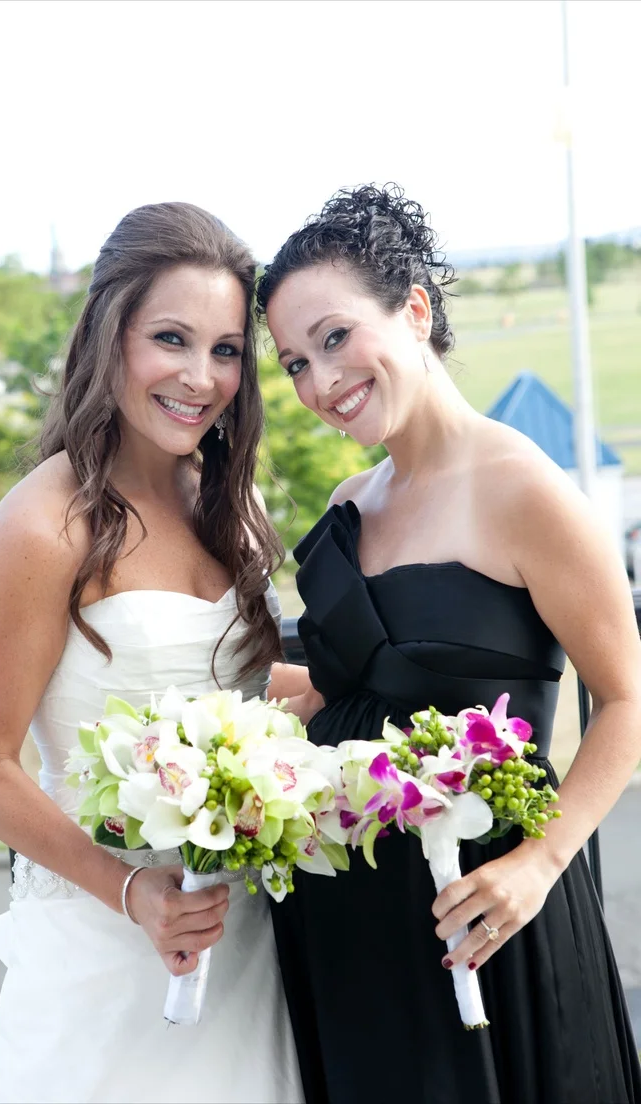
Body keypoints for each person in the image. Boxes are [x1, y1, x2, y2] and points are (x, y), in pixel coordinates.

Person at [260, 184, 641, 1104]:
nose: (321, 381)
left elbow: (626, 699)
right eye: (295, 363)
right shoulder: (350, 504)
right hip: (346, 918)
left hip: (479, 911)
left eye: (336, 337)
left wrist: (540, 863)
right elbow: (358, 684)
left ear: (417, 311)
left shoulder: (526, 490)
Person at [0, 202, 303, 1104]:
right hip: (106, 955)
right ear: (111, 335)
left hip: (247, 939)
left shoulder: (231, 503)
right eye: (172, 339)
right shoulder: (39, 528)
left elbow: (241, 687)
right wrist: (132, 891)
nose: (201, 377)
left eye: (226, 350)